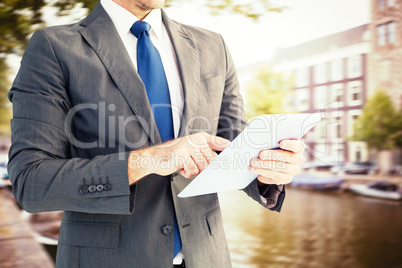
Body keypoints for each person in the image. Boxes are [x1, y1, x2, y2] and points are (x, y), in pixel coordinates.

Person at [7, 0, 305, 267]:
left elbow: (234, 146)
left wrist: (266, 171)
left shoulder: (212, 45)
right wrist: (151, 159)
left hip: (207, 257)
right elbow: (32, 182)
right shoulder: (54, 46)